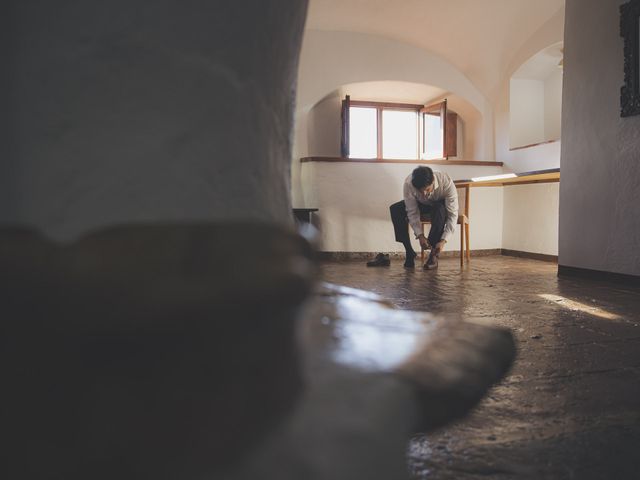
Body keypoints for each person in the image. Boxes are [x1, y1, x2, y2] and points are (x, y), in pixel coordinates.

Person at [389, 166, 458, 269]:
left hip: (439, 205)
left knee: (438, 209)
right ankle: (409, 251)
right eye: (420, 191)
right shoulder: (409, 183)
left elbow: (452, 214)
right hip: (422, 205)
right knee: (395, 209)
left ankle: (434, 255)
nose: (424, 194)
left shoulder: (446, 181)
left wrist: (443, 240)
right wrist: (420, 235)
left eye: (427, 189)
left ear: (433, 181)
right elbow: (412, 212)